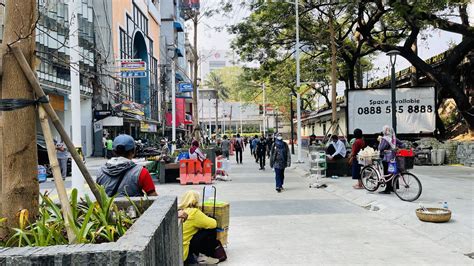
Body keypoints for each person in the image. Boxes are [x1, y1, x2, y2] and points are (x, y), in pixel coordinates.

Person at [180, 191, 220, 264]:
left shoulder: (180, 211)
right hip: (184, 252)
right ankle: (207, 255)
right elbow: (213, 224)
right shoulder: (194, 212)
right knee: (211, 229)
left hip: (179, 247)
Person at [378, 125, 404, 194]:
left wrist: (380, 141)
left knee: (387, 173)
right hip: (394, 157)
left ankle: (388, 189)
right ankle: (394, 187)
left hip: (387, 158)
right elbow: (402, 144)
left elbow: (380, 148)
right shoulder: (393, 138)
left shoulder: (385, 138)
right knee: (393, 172)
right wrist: (396, 148)